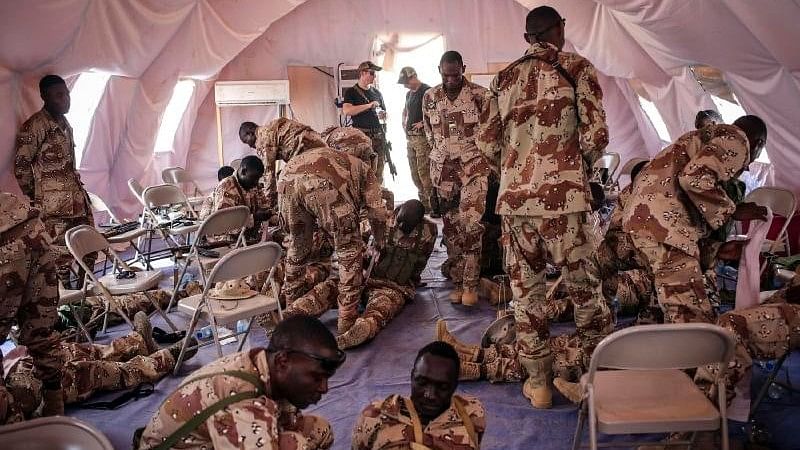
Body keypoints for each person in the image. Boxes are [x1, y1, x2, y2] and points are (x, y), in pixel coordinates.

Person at [477, 6, 612, 409]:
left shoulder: (504, 78)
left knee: (526, 295)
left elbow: (486, 144)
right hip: (565, 205)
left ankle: (538, 385)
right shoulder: (576, 68)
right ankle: (597, 379)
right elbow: (597, 135)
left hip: (517, 206)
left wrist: (516, 174)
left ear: (527, 38)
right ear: (560, 31)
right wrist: (574, 169)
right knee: (585, 290)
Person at [621, 115, 768, 325]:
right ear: (759, 144)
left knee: (672, 302)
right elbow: (693, 179)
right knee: (695, 322)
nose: (743, 167)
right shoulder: (738, 140)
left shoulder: (701, 137)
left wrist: (716, 249)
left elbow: (688, 199)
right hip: (666, 229)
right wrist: (732, 210)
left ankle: (654, 344)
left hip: (644, 223)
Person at [138, 315, 343, 450]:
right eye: (316, 377)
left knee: (318, 429)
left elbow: (285, 415)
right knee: (295, 445)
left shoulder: (263, 364)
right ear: (283, 361)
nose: (324, 388)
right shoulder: (244, 401)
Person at [285, 199, 437, 350]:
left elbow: (421, 261)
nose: (402, 228)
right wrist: (367, 251)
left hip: (392, 287)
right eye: (400, 223)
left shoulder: (429, 231)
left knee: (381, 307)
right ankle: (292, 315)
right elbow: (352, 241)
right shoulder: (381, 219)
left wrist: (410, 282)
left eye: (407, 226)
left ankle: (360, 331)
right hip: (362, 276)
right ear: (397, 212)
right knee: (327, 289)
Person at [278, 129, 388, 335]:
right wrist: (380, 239)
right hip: (324, 185)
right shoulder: (361, 167)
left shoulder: (326, 153)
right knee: (349, 251)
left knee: (297, 246)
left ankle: (292, 306)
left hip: (287, 177)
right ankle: (347, 319)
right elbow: (378, 213)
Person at [4, 312, 196, 416]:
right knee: (87, 373)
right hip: (18, 398)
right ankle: (163, 360)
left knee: (72, 351)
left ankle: (136, 342)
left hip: (12, 370)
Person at [423, 50, 492, 306]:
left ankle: (471, 285)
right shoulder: (430, 97)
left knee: (471, 226)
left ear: (463, 68)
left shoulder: (480, 96)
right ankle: (458, 281)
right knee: (451, 229)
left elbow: (491, 133)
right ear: (439, 70)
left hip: (473, 169)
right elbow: (429, 133)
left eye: (456, 74)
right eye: (446, 75)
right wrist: (439, 158)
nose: (451, 80)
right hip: (443, 172)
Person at [14, 74, 95, 288]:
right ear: (44, 96)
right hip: (54, 207)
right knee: (60, 256)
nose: (66, 99)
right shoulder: (35, 126)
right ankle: (68, 303)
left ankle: (87, 296)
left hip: (77, 200)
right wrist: (37, 195)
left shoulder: (65, 123)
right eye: (59, 95)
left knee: (90, 246)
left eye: (66, 93)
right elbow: (21, 166)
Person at [0, 191, 64, 423]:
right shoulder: (23, 217)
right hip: (23, 224)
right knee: (42, 329)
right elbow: (42, 324)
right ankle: (53, 406)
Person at [352, 341, 485, 450]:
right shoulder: (375, 417)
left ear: (455, 385)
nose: (429, 395)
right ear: (412, 377)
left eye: (442, 387)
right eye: (422, 382)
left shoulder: (471, 413)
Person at [238, 117, 328, 208]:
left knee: (290, 187)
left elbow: (269, 173)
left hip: (306, 153)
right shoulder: (270, 127)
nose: (249, 146)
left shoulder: (261, 138)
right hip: (318, 145)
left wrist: (268, 204)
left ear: (250, 132)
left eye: (246, 141)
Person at [200, 155, 272, 241]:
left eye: (258, 179)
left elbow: (264, 206)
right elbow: (225, 224)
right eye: (254, 178)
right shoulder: (226, 187)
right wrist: (254, 218)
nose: (256, 183)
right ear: (243, 171)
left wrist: (270, 214)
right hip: (224, 238)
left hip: (246, 235)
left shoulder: (253, 185)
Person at [343, 61, 389, 183]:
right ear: (363, 73)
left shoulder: (377, 93)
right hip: (362, 137)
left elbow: (384, 116)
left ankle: (377, 199)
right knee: (363, 173)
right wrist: (368, 106)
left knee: (378, 172)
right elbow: (347, 110)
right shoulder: (351, 92)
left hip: (378, 136)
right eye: (372, 73)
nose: (374, 76)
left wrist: (382, 114)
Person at [398, 66, 436, 215]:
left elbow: (437, 113)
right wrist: (403, 121)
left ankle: (433, 205)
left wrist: (423, 123)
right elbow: (405, 110)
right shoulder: (409, 94)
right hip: (411, 138)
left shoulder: (428, 91)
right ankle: (424, 205)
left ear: (413, 77)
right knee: (415, 173)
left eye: (406, 82)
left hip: (422, 138)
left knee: (424, 173)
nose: (405, 86)